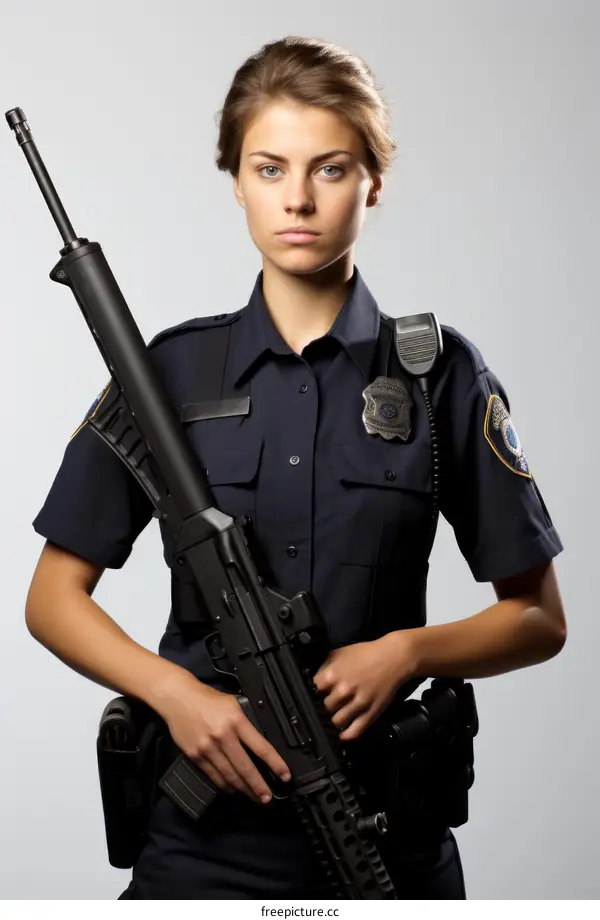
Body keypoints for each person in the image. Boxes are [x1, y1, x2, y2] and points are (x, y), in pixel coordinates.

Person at [25, 35, 567, 900]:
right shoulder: (166, 375)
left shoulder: (442, 376)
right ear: (237, 183)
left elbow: (539, 618)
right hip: (201, 851)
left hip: (389, 841)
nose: (299, 199)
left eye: (332, 168)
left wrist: (406, 652)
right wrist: (177, 696)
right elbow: (52, 599)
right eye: (270, 168)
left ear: (373, 183)